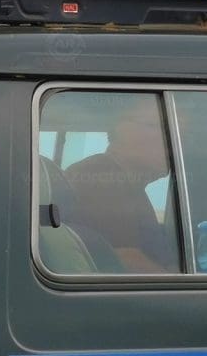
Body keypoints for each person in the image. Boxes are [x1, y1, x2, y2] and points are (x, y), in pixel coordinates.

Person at [64, 96, 178, 273]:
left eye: (183, 135)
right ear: (121, 128)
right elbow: (126, 259)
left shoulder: (129, 184)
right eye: (157, 127)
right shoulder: (100, 178)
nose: (174, 140)